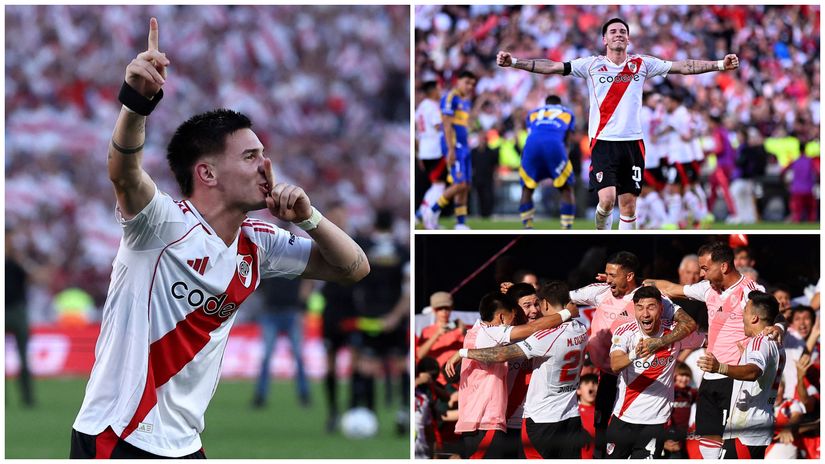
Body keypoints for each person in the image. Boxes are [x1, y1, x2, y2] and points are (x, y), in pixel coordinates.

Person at [70, 18, 369, 459]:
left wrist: (309, 218)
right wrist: (136, 104)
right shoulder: (161, 224)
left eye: (264, 156)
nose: (265, 167)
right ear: (207, 173)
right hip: (120, 435)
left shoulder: (259, 244)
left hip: (185, 444)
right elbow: (124, 172)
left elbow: (354, 268)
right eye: (250, 157)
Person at [497, 17, 740, 230]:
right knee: (607, 200)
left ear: (628, 39)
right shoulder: (590, 65)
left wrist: (719, 65)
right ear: (604, 39)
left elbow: (683, 67)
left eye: (623, 32)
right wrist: (515, 62)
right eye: (613, 32)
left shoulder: (642, 64)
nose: (619, 35)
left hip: (633, 143)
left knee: (629, 205)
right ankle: (602, 233)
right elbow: (551, 66)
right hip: (603, 142)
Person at [645, 242, 784, 459]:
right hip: (709, 374)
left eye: (705, 268)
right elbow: (672, 288)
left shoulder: (750, 291)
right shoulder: (708, 288)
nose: (701, 274)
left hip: (732, 376)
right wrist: (636, 285)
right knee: (706, 440)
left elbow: (775, 313)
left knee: (730, 447)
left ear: (724, 267)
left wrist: (777, 327)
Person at [569, 251, 697, 458]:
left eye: (612, 275)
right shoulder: (600, 292)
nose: (606, 278)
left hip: (638, 381)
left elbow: (690, 324)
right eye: (607, 274)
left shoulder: (652, 299)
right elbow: (560, 299)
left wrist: (658, 343)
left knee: (635, 443)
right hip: (608, 376)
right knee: (603, 440)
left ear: (629, 276)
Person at [448, 282, 589, 458]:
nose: (534, 310)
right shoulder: (497, 332)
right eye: (527, 306)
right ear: (512, 311)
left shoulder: (545, 333)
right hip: (502, 423)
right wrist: (567, 312)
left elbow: (539, 321)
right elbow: (528, 328)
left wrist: (524, 293)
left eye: (537, 304)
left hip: (536, 421)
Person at [606, 286, 705, 459]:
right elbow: (615, 364)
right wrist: (635, 353)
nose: (645, 314)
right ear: (634, 309)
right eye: (640, 307)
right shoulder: (626, 332)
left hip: (655, 422)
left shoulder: (675, 332)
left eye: (651, 307)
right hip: (623, 418)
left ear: (661, 308)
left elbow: (703, 336)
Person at [697, 291, 785, 459]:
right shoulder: (775, 343)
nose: (741, 316)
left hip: (746, 430)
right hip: (758, 428)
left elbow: (753, 371)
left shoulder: (760, 341)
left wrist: (720, 368)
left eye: (744, 311)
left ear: (754, 318)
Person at [424, 70, 478, 230]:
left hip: (464, 146)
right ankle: (432, 211)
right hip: (455, 147)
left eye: (472, 84)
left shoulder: (465, 102)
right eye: (467, 82)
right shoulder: (450, 98)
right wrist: (450, 149)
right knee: (459, 184)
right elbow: (446, 125)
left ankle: (460, 223)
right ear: (458, 81)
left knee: (466, 185)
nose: (470, 87)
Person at [252, 277, 313, 409]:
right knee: (271, 357)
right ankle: (261, 396)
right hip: (275, 311)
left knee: (294, 357)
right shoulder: (294, 259)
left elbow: (307, 282)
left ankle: (304, 395)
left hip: (289, 311)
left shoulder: (280, 259)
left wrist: (302, 307)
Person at [518, 95, 577, 229]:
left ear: (545, 103)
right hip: (554, 146)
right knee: (566, 188)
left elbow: (531, 133)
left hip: (531, 147)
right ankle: (566, 228)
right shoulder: (567, 113)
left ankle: (527, 226)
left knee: (527, 188)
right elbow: (567, 140)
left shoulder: (532, 113)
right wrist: (563, 159)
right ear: (559, 104)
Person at [416, 291, 466, 384]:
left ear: (451, 309)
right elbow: (419, 355)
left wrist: (464, 332)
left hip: (460, 379)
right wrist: (436, 335)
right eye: (440, 308)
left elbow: (470, 350)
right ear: (434, 310)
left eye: (447, 308)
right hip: (439, 382)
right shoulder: (427, 331)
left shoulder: (459, 329)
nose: (444, 312)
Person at [415, 81, 446, 224]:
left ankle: (421, 214)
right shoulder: (433, 107)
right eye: (439, 89)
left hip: (424, 151)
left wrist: (418, 153)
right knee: (439, 186)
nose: (440, 92)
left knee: (436, 185)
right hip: (435, 150)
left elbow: (417, 133)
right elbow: (439, 126)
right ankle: (427, 216)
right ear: (432, 91)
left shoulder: (420, 108)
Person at [577, 373, 599, 459]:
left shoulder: (606, 413)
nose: (591, 386)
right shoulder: (571, 413)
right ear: (578, 390)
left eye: (594, 383)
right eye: (586, 383)